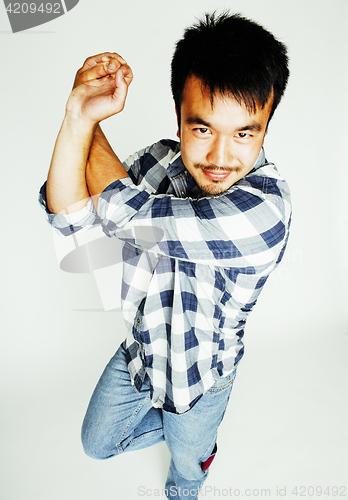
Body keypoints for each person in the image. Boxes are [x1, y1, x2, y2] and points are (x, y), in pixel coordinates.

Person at [39, 12, 291, 500]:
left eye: (244, 133)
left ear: (265, 125)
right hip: (140, 349)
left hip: (203, 376)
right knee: (97, 445)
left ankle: (193, 459)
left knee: (187, 469)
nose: (220, 156)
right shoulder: (157, 159)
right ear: (178, 114)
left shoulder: (266, 211)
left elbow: (124, 214)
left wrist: (90, 134)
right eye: (202, 129)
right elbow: (70, 217)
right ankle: (187, 443)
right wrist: (78, 116)